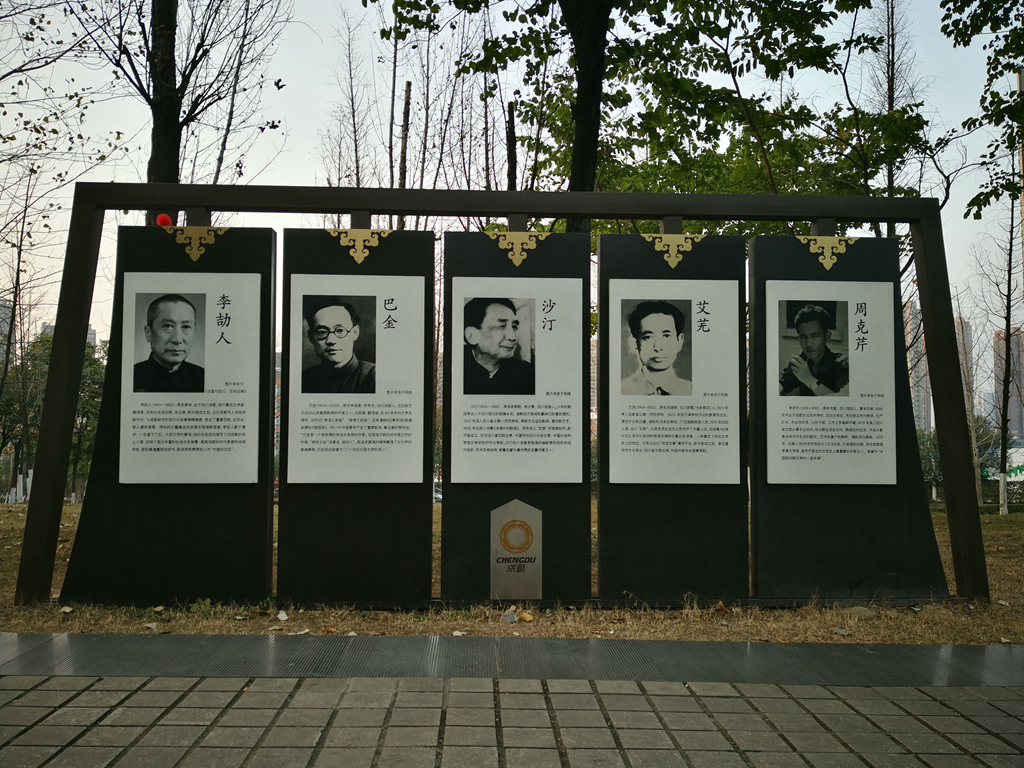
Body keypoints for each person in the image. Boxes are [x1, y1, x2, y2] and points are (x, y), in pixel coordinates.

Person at [302, 297, 376, 393]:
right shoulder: (303, 379)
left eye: (340, 330)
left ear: (355, 333)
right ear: (311, 337)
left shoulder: (373, 377)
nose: (331, 341)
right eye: (322, 332)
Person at [133, 294, 205, 393]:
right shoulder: (130, 377)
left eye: (186, 327)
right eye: (167, 326)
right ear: (148, 333)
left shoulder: (203, 378)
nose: (177, 339)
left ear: (194, 332)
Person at [463, 297, 534, 395]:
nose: (512, 337)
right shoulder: (454, 368)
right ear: (472, 335)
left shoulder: (527, 374)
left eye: (514, 327)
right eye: (501, 326)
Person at [621, 300, 691, 396]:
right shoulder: (622, 391)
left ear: (679, 341)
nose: (658, 347)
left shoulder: (690, 390)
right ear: (635, 343)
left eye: (666, 336)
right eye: (648, 337)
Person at [780, 303, 849, 396]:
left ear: (827, 337)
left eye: (815, 336)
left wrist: (809, 380)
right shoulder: (800, 360)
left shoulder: (841, 365)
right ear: (798, 339)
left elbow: (841, 401)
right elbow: (781, 385)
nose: (808, 344)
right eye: (803, 337)